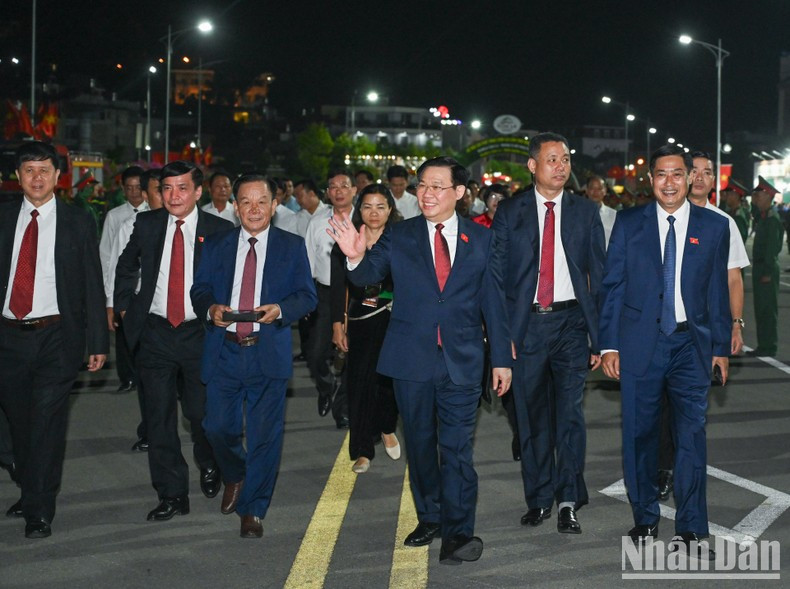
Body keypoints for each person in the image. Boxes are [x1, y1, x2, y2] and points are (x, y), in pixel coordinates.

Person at [329, 156, 512, 565]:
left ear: (460, 193)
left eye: (437, 186)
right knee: (422, 447)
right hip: (410, 360)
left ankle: (459, 532)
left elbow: (494, 303)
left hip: (463, 360)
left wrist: (501, 358)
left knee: (458, 449)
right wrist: (356, 257)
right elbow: (365, 277)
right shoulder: (401, 235)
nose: (427, 194)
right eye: (422, 186)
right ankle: (429, 516)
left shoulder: (481, 240)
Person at [598, 144, 730, 561]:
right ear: (650, 179)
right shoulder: (629, 222)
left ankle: (691, 525)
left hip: (691, 346)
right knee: (640, 434)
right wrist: (609, 344)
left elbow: (717, 293)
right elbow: (612, 287)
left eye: (677, 174)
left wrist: (721, 348)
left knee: (691, 435)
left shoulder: (713, 227)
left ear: (691, 177)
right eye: (661, 175)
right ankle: (645, 517)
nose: (669, 182)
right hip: (640, 344)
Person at [490, 132, 605, 535]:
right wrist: (502, 336)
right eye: (552, 159)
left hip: (572, 325)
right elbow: (497, 277)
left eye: (567, 158)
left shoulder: (585, 212)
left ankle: (568, 500)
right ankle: (539, 498)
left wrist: (599, 336)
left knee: (570, 415)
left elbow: (600, 277)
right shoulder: (511, 212)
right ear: (533, 166)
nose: (561, 166)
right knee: (532, 417)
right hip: (527, 327)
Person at [191, 173, 316, 538]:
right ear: (235, 206)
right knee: (216, 426)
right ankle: (235, 473)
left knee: (265, 436)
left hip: (266, 350)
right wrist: (210, 308)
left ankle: (253, 508)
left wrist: (280, 309)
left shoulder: (291, 246)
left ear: (275, 205)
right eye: (245, 202)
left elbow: (307, 296)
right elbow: (199, 288)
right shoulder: (216, 245)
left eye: (261, 201)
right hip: (224, 351)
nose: (254, 209)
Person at [0, 141, 108, 538]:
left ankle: (39, 510)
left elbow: (91, 284)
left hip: (56, 338)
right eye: (28, 170)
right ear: (17, 177)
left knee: (45, 424)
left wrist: (98, 341)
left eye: (44, 170)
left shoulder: (78, 221)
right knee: (18, 425)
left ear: (58, 177)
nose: (37, 178)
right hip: (8, 339)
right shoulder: (4, 217)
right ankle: (31, 489)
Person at [115, 160, 233, 521]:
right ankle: (172, 494)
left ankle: (208, 458)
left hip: (200, 333)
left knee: (200, 414)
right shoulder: (148, 224)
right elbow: (126, 264)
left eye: (182, 188)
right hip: (155, 333)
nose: (173, 195)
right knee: (159, 418)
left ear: (198, 192)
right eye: (167, 188)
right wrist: (123, 307)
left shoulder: (220, 229)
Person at [654, 152, 752, 501]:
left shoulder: (722, 223)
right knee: (663, 405)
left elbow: (733, 280)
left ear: (714, 181)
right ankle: (664, 467)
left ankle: (683, 471)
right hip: (664, 332)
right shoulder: (659, 216)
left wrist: (735, 326)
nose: (699, 177)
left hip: (704, 334)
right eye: (692, 171)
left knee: (690, 409)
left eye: (706, 173)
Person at [330, 184, 402, 474]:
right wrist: (338, 325)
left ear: (390, 210)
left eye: (381, 206)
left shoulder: (400, 240)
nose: (374, 213)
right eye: (368, 207)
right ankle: (362, 450)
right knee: (358, 386)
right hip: (359, 322)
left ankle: (386, 426)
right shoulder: (347, 240)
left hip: (393, 321)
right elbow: (338, 287)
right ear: (359, 210)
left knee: (389, 383)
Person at [304, 170, 354, 427]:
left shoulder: (365, 218)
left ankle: (342, 408)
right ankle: (326, 386)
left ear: (353, 190)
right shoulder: (317, 222)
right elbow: (308, 263)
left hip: (356, 295)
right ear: (327, 192)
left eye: (344, 186)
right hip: (324, 294)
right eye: (332, 187)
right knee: (315, 353)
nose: (338, 191)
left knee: (353, 354)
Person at [100, 166, 149, 394]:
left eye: (138, 187)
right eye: (129, 188)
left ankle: (145, 376)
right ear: (123, 190)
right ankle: (127, 377)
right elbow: (108, 256)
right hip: (124, 287)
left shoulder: (155, 214)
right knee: (123, 336)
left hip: (146, 289)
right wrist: (109, 295)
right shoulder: (116, 217)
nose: (134, 192)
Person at [750, 176, 784, 357]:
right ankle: (763, 345)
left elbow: (772, 248)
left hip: (767, 269)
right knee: (760, 309)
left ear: (768, 196)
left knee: (767, 310)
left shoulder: (772, 219)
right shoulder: (763, 216)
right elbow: (753, 209)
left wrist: (767, 272)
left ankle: (769, 346)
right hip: (760, 268)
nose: (756, 198)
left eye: (759, 195)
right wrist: (754, 199)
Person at [585, 175, 617, 248]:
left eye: (599, 188)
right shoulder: (578, 215)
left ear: (605, 191)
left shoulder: (614, 215)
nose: (595, 192)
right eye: (592, 188)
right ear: (587, 190)